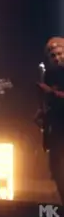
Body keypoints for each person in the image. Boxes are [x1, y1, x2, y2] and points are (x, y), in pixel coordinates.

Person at [38, 36, 64, 204]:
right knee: (55, 167)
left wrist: (52, 92)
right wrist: (41, 112)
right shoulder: (50, 73)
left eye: (60, 54)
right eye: (53, 55)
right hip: (56, 124)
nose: (57, 58)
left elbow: (53, 93)